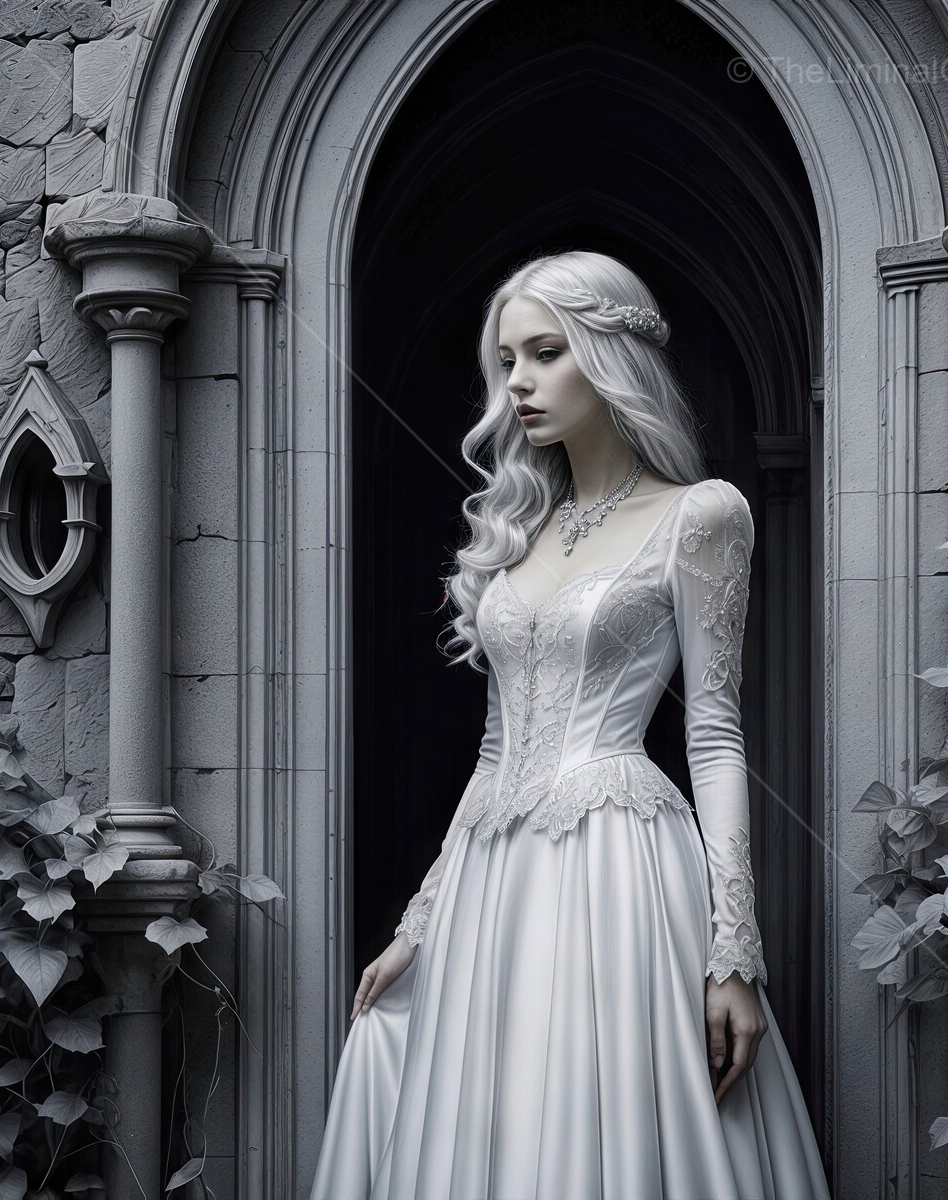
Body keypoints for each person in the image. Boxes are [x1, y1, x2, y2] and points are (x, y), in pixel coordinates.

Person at [308, 250, 831, 1199]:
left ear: (611, 354)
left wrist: (735, 952)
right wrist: (418, 926)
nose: (517, 383)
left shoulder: (701, 515)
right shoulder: (520, 534)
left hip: (619, 864)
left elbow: (713, 734)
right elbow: (497, 750)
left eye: (545, 353)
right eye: (508, 359)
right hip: (491, 885)